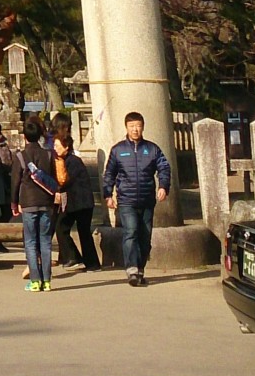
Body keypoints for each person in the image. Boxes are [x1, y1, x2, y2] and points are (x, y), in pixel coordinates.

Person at [102, 112, 171, 286]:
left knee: (145, 237)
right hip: (126, 200)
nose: (135, 129)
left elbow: (164, 167)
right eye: (132, 126)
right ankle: (131, 269)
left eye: (138, 126)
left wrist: (163, 186)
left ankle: (140, 268)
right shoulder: (118, 150)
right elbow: (109, 173)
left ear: (143, 127)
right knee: (130, 231)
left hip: (147, 199)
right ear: (126, 127)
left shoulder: (152, 149)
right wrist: (108, 194)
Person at [11, 117, 59, 292]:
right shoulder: (48, 154)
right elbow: (53, 178)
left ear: (24, 136)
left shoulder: (20, 156)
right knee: (45, 241)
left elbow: (15, 182)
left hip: (28, 202)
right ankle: (47, 280)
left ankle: (35, 280)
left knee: (31, 242)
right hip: (46, 201)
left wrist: (14, 203)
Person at [52, 122, 101, 272]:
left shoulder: (72, 161)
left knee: (66, 228)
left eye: (57, 146)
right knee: (69, 229)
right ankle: (82, 260)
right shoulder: (66, 161)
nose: (55, 148)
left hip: (80, 203)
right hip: (76, 202)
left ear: (66, 147)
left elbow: (65, 180)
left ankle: (78, 259)